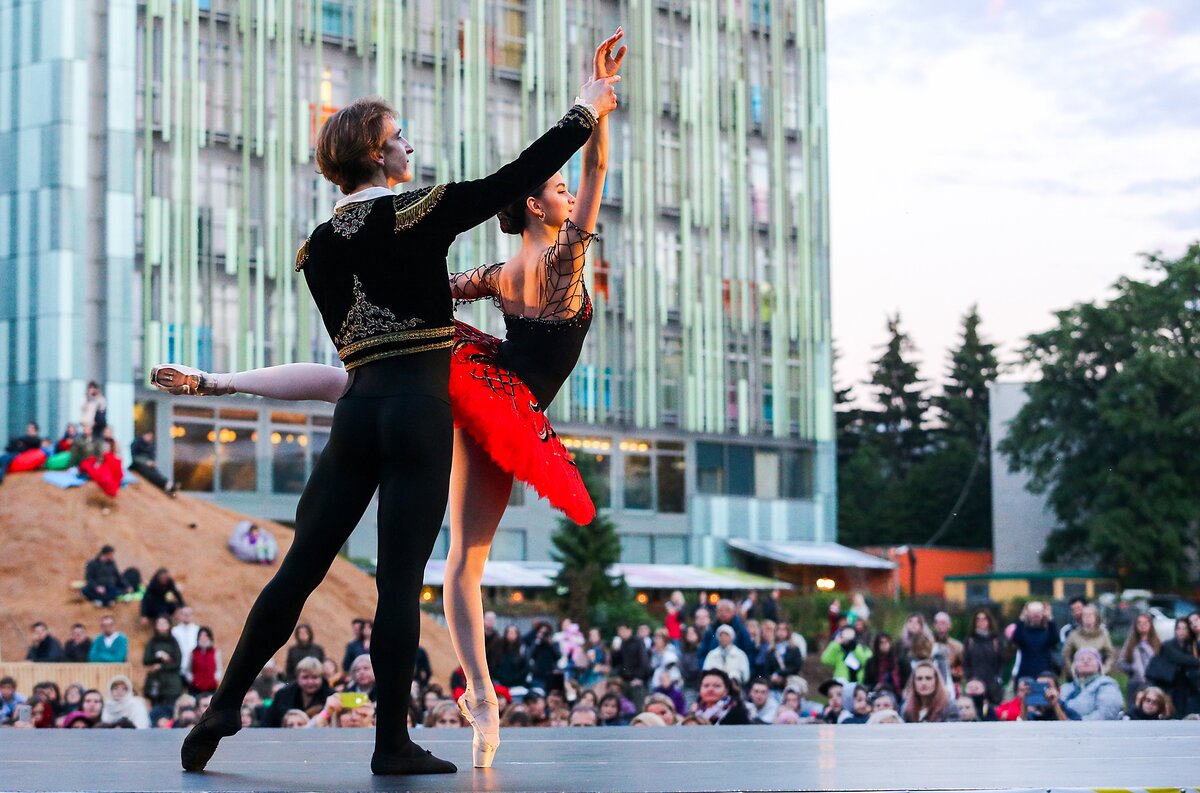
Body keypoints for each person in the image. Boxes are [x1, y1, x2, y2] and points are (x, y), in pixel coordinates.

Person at [158, 36, 624, 777]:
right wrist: (586, 108)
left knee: (298, 569)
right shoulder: (418, 212)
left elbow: (338, 370)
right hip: (417, 416)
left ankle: (224, 703)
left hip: (357, 415)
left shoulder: (316, 248)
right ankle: (391, 742)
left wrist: (220, 382)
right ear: (379, 156)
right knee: (399, 583)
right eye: (400, 135)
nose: (410, 144)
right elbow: (513, 178)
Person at [262, 657, 335, 728]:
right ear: (297, 677)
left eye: (314, 677)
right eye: (305, 677)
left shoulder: (331, 696)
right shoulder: (283, 695)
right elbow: (267, 722)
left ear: (322, 678)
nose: (310, 682)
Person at [1058, 647, 1122, 720]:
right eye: (1081, 659)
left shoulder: (1107, 684)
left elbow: (1107, 713)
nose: (1085, 661)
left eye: (1090, 659)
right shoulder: (1066, 688)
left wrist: (1079, 723)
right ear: (1074, 666)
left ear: (1099, 665)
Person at [1158, 617, 1200, 717]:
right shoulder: (1168, 645)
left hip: (1189, 689)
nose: (1181, 631)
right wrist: (1197, 660)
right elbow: (1179, 658)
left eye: (1184, 628)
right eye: (1178, 628)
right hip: (1171, 687)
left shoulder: (1191, 645)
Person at [1118, 612, 1161, 705]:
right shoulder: (1130, 642)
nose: (1142, 625)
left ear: (1150, 625)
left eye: (1145, 623)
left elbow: (1160, 661)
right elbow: (1121, 662)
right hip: (1135, 683)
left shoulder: (1156, 643)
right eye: (1139, 623)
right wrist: (1132, 669)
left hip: (1152, 683)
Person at [962, 609, 1004, 704]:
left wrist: (998, 679)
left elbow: (1001, 662)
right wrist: (969, 679)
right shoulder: (970, 641)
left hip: (992, 687)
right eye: (978, 619)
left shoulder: (996, 641)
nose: (981, 622)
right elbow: (966, 662)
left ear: (989, 621)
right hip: (974, 685)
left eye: (984, 619)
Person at [1009, 601, 1059, 681]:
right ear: (1028, 615)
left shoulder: (1047, 633)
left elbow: (1055, 639)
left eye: (1038, 613)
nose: (1036, 616)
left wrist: (1050, 618)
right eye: (1033, 613)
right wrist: (1022, 619)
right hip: (1025, 674)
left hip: (1044, 674)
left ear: (1043, 615)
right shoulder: (1024, 632)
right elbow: (1016, 639)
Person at [1061, 604, 1115, 676]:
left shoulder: (1103, 635)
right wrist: (1072, 670)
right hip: (1079, 674)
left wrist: (1104, 669)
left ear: (1096, 617)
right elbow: (1066, 655)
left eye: (1090, 615)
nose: (1087, 617)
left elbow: (1111, 654)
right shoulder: (1074, 635)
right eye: (1085, 615)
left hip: (1098, 674)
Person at [143, 616, 184, 707]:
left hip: (171, 684)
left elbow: (177, 662)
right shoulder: (152, 642)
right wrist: (158, 657)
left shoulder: (173, 642)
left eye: (164, 623)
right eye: (159, 623)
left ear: (169, 625)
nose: (161, 626)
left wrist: (164, 663)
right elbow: (146, 660)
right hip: (156, 682)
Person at [760, 621, 805, 691]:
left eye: (784, 629)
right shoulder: (771, 650)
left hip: (791, 683)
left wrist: (780, 674)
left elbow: (796, 666)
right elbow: (767, 669)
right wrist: (772, 677)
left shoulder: (794, 649)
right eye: (779, 629)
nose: (781, 632)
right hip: (774, 685)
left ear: (788, 632)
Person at [0, 421, 45, 486]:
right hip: (14, 454)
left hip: (19, 457)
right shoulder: (24, 439)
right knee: (3, 458)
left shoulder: (36, 440)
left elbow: (27, 441)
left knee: (5, 459)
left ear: (36, 431)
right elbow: (10, 446)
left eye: (31, 428)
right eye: (28, 428)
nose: (29, 430)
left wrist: (20, 442)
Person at [613, 623, 651, 688]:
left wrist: (640, 678)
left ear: (629, 630)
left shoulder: (637, 642)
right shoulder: (621, 643)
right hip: (624, 680)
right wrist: (615, 651)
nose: (620, 633)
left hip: (637, 680)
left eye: (622, 630)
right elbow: (616, 663)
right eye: (619, 630)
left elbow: (644, 661)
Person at [932, 611, 964, 685]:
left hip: (950, 683)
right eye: (937, 623)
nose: (940, 626)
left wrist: (953, 672)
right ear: (934, 625)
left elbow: (965, 668)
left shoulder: (957, 646)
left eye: (943, 623)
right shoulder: (927, 644)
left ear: (949, 625)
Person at [189, 627, 223, 696]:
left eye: (205, 636)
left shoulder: (215, 652)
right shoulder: (193, 653)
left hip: (211, 687)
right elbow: (188, 669)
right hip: (196, 688)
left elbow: (219, 668)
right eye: (201, 636)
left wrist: (215, 678)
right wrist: (192, 679)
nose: (203, 638)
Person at [172, 607, 202, 682]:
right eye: (184, 614)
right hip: (178, 666)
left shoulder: (198, 630)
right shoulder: (174, 631)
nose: (186, 616)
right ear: (180, 615)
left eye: (189, 614)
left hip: (194, 667)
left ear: (192, 616)